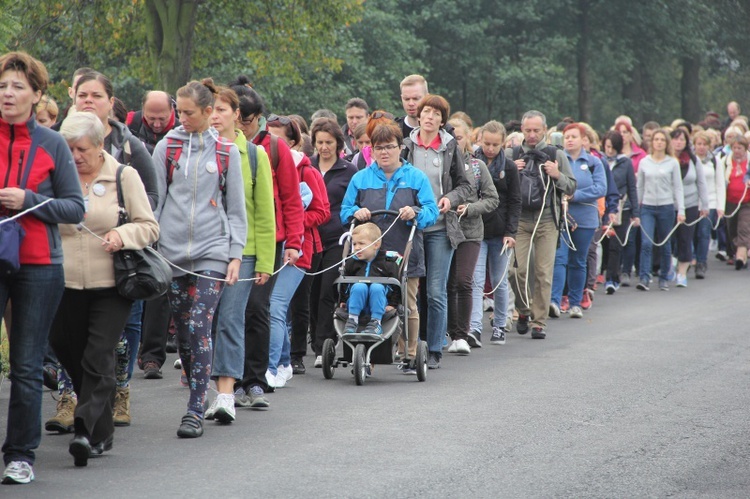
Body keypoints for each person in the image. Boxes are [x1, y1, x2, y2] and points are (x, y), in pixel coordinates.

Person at [51, 112, 158, 467]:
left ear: (99, 146)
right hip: (63, 283)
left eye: (81, 148)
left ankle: (84, 429)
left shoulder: (124, 176)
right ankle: (102, 428)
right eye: (68, 149)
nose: (74, 155)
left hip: (112, 285)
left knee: (98, 356)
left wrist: (121, 234)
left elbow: (148, 227)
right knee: (69, 351)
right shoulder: (55, 177)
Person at [0, 51, 85, 485]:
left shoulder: (52, 143)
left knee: (27, 365)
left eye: (17, 86)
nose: (8, 94)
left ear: (36, 94)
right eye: (2, 86)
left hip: (39, 265)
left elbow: (75, 207)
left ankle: (20, 455)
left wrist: (26, 201)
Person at [152, 80, 247, 437]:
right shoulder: (167, 146)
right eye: (179, 110)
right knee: (184, 334)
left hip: (213, 251)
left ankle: (193, 410)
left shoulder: (227, 152)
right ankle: (199, 388)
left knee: (198, 323)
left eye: (189, 112)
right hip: (172, 253)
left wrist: (235, 255)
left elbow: (236, 211)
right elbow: (155, 201)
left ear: (209, 113)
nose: (181, 117)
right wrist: (152, 244)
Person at [73, 70, 157, 423]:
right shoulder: (56, 146)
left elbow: (150, 199)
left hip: (119, 262)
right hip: (67, 267)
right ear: (72, 99)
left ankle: (118, 392)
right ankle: (71, 399)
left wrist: (124, 232)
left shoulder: (129, 148)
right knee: (71, 341)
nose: (88, 101)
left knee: (118, 336)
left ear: (111, 102)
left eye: (96, 95)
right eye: (82, 95)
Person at [340, 122, 438, 374]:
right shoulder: (360, 178)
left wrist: (414, 211)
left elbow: (431, 212)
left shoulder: (416, 177)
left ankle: (410, 353)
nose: (384, 152)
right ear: (371, 150)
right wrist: (355, 212)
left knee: (407, 304)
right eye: (379, 148)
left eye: (390, 147)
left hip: (404, 252)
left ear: (400, 147)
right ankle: (366, 356)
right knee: (364, 296)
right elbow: (344, 211)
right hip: (367, 254)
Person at [230, 76, 304, 407]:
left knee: (257, 308)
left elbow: (291, 199)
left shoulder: (273, 148)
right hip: (228, 241)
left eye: (248, 120)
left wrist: (293, 241)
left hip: (268, 241)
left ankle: (256, 378)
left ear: (258, 116)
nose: (243, 126)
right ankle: (229, 378)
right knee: (230, 312)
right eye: (238, 119)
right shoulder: (221, 145)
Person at [205, 82, 275, 423]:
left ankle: (226, 394)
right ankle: (208, 391)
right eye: (211, 110)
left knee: (231, 320)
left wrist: (265, 261)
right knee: (206, 323)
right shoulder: (199, 149)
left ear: (237, 115)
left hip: (244, 252)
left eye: (221, 110)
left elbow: (264, 213)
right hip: (203, 252)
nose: (215, 116)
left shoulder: (256, 156)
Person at [403, 94, 472, 368]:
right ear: (418, 116)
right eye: (426, 112)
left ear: (443, 120)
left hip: (441, 227)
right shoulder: (406, 146)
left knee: (435, 291)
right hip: (410, 227)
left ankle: (433, 350)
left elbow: (466, 186)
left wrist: (451, 199)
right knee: (411, 291)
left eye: (436, 113)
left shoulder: (450, 147)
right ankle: (411, 350)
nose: (430, 117)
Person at [265, 117, 329, 388]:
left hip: (298, 249)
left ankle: (271, 367)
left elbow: (322, 212)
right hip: (269, 247)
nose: (270, 144)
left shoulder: (307, 171)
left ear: (291, 142)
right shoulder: (262, 166)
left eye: (277, 139)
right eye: (267, 138)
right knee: (271, 308)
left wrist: (291, 221)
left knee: (277, 307)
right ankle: (282, 363)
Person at [508, 110, 576, 339]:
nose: (532, 134)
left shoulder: (556, 154)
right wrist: (509, 171)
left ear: (545, 130)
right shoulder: (513, 153)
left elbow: (572, 187)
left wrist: (557, 175)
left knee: (543, 272)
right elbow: (496, 184)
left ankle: (539, 322)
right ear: (522, 130)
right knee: (516, 271)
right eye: (527, 130)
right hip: (519, 219)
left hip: (547, 219)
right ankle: (524, 309)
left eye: (536, 130)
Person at [305, 118, 357, 370]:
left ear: (338, 143)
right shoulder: (307, 166)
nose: (324, 147)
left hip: (338, 238)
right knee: (311, 292)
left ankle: (324, 343)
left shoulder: (349, 171)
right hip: (309, 237)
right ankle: (315, 339)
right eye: (320, 142)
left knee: (328, 291)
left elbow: (354, 203)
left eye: (329, 142)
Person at [445, 118, 499, 353]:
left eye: (458, 138)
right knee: (446, 284)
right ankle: (449, 332)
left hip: (470, 231)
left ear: (468, 139)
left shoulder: (477, 166)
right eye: (451, 138)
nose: (455, 142)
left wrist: (471, 208)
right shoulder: (440, 163)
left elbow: (492, 198)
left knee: (463, 281)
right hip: (443, 230)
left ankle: (462, 335)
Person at [470, 121, 521, 346]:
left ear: (503, 143)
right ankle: (474, 327)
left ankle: (500, 324)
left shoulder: (508, 167)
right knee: (476, 281)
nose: (490, 148)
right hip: (476, 230)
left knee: (500, 281)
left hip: (500, 233)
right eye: (486, 143)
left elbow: (514, 201)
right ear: (480, 140)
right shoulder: (471, 162)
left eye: (495, 144)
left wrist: (511, 232)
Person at [550, 124, 607, 319]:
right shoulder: (557, 159)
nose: (569, 140)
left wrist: (575, 195)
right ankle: (554, 302)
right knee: (559, 258)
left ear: (583, 139)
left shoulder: (593, 162)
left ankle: (575, 303)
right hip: (561, 216)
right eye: (566, 136)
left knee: (578, 261)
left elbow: (601, 188)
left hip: (585, 219)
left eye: (574, 136)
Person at [636, 129, 685, 291]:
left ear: (666, 143)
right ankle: (644, 276)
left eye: (662, 140)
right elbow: (640, 187)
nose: (659, 142)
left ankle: (664, 277)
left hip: (666, 207)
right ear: (652, 142)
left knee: (665, 244)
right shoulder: (644, 162)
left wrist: (681, 210)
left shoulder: (672, 162)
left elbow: (678, 187)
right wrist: (636, 211)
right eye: (656, 139)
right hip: (647, 207)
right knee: (646, 243)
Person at [341, 223, 401, 335]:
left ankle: (376, 322)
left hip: (380, 303)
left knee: (377, 287)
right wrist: (343, 300)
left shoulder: (387, 263)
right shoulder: (351, 262)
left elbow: (395, 286)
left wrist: (393, 304)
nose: (357, 247)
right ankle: (352, 320)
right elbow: (344, 283)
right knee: (359, 286)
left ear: (376, 244)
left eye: (361, 244)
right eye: (354, 244)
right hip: (355, 302)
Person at [601, 131, 639, 292]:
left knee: (616, 244)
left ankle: (612, 278)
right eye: (607, 147)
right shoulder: (600, 161)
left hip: (621, 207)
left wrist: (635, 213)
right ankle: (604, 273)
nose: (609, 150)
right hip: (603, 207)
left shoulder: (626, 163)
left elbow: (632, 187)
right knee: (604, 243)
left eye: (612, 147)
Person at [670, 128, 708, 287]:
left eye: (682, 140)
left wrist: (704, 204)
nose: (679, 142)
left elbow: (701, 182)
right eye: (676, 139)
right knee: (670, 239)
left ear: (686, 143)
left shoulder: (693, 160)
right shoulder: (666, 159)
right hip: (669, 204)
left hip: (690, 204)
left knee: (685, 238)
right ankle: (670, 266)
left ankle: (682, 272)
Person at [692, 131, 725, 278]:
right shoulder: (691, 161)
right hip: (693, 202)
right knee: (692, 233)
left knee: (704, 233)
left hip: (709, 201)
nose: (701, 147)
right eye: (699, 144)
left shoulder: (714, 161)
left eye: (704, 144)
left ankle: (701, 262)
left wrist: (720, 206)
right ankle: (691, 257)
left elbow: (719, 184)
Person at [725, 136, 750, 268]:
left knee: (744, 228)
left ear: (745, 149)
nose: (737, 150)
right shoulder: (725, 161)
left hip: (747, 201)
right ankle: (741, 252)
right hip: (730, 201)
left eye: (740, 148)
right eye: (734, 148)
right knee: (732, 229)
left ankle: (740, 257)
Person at [396, 74, 428, 140]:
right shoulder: (393, 130)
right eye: (406, 99)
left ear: (427, 97)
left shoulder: (444, 131)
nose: (411, 103)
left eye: (416, 98)